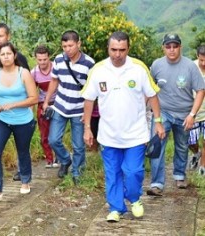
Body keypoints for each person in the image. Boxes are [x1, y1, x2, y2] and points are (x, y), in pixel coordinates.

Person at [82, 31, 165, 222]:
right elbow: (88, 99)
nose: (117, 54)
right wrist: (87, 127)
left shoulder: (138, 68)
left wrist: (158, 122)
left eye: (122, 50)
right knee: (112, 173)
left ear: (128, 49)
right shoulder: (98, 70)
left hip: (135, 134)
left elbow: (152, 95)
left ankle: (134, 198)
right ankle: (116, 208)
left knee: (133, 171)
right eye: (113, 50)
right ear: (108, 49)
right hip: (108, 134)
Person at [147, 33, 205, 196]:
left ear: (180, 47)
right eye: (168, 46)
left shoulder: (189, 66)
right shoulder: (157, 65)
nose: (172, 50)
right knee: (157, 146)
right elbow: (149, 89)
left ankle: (180, 174)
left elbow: (200, 91)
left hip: (184, 113)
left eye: (175, 46)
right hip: (163, 112)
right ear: (163, 48)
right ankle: (157, 183)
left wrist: (192, 114)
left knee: (181, 146)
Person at [0, 42, 38, 201]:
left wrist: (13, 104)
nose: (6, 57)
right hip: (1, 119)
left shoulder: (24, 73)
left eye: (8, 54)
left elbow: (33, 98)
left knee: (22, 151)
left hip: (23, 120)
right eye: (2, 54)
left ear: (14, 56)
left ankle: (25, 180)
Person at [42, 30, 95, 185]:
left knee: (78, 145)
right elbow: (54, 81)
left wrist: (87, 115)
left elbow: (91, 92)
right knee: (53, 140)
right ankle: (66, 160)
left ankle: (77, 172)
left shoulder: (89, 64)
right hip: (60, 106)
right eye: (64, 46)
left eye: (70, 45)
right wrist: (46, 101)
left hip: (79, 108)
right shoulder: (59, 59)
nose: (67, 49)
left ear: (79, 44)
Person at [0, 22, 30, 182]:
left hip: (17, 110)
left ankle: (22, 171)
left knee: (19, 140)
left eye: (1, 36)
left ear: (8, 36)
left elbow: (26, 81)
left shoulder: (18, 57)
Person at [31, 45, 58, 168]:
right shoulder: (34, 73)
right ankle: (49, 159)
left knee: (56, 133)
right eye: (39, 60)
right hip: (43, 104)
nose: (42, 62)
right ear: (36, 59)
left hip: (58, 103)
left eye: (45, 59)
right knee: (44, 134)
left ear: (49, 58)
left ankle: (59, 157)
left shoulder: (56, 68)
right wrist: (32, 111)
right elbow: (32, 92)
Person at [187, 45, 205, 175]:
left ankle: (203, 168)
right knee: (190, 142)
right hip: (192, 113)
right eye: (201, 60)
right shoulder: (190, 68)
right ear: (197, 56)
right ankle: (196, 153)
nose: (204, 63)